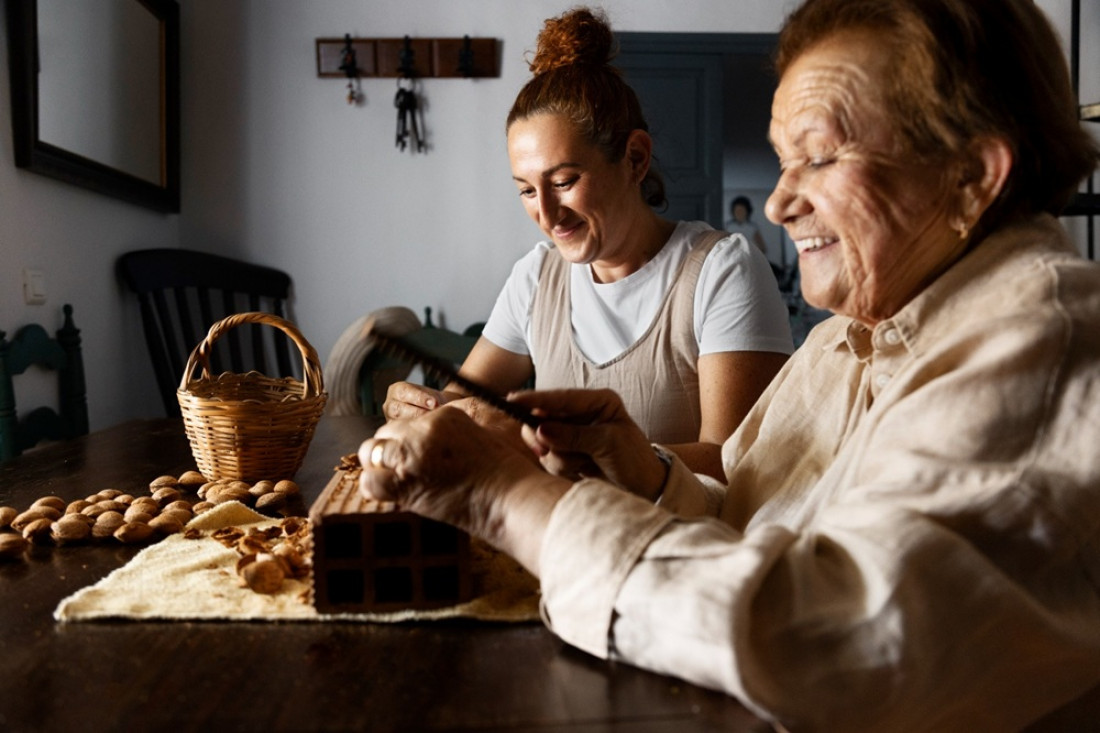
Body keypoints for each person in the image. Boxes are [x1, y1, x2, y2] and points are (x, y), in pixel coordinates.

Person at [358, 0, 1100, 729]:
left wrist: (503, 497)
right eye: (783, 163)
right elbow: (746, 510)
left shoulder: (1038, 340)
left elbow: (830, 647)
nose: (777, 202)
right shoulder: (848, 341)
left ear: (972, 175)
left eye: (817, 157)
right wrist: (638, 464)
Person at [383, 8, 793, 481]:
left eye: (564, 181)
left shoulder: (721, 271)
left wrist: (523, 438)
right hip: (558, 544)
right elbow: (457, 402)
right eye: (526, 189)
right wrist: (422, 407)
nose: (546, 214)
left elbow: (734, 464)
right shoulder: (537, 278)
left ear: (635, 158)